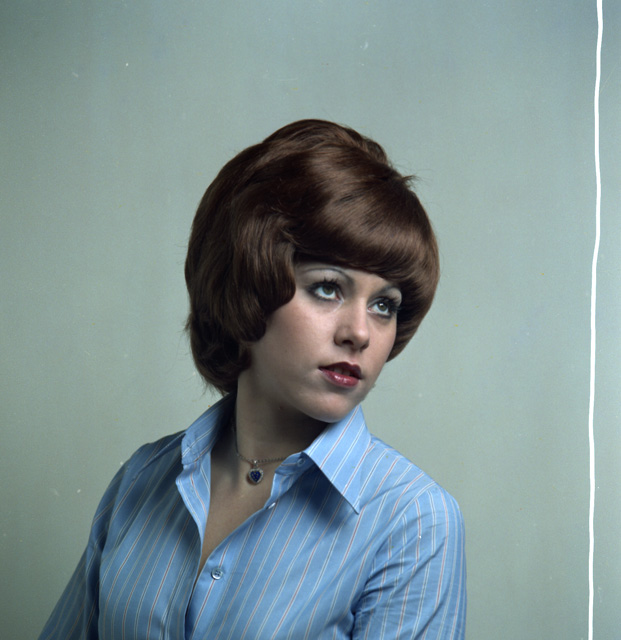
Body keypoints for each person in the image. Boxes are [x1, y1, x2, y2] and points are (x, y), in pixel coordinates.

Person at [39, 119, 466, 639]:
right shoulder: (141, 481)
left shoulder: (412, 520)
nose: (359, 332)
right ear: (249, 282)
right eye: (327, 287)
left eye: (384, 305)